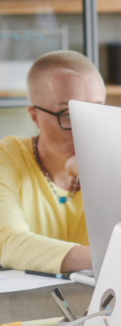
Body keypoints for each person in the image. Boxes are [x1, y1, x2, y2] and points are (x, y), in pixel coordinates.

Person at [0, 50, 105, 274]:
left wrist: (96, 171)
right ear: (34, 116)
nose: (85, 128)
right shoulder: (7, 158)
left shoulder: (120, 160)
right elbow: (7, 242)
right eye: (67, 113)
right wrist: (108, 258)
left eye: (96, 109)